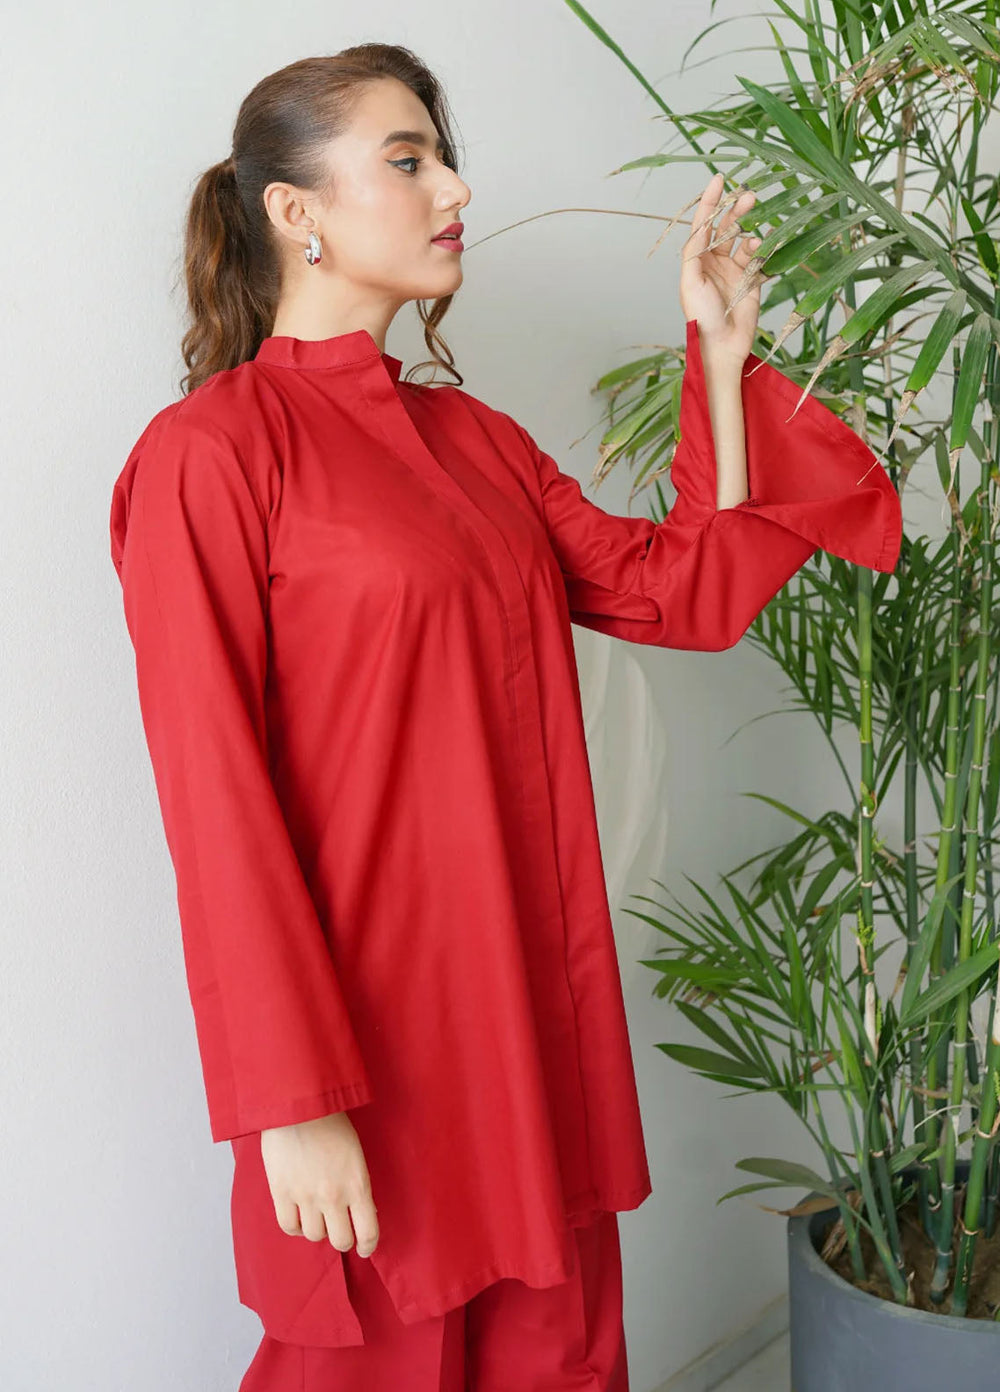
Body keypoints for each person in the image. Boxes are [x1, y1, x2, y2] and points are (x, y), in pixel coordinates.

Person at [108, 42, 902, 1392]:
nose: (457, 188)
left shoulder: (473, 441)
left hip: (532, 1012)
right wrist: (291, 1104)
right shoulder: (209, 457)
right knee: (374, 1356)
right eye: (408, 160)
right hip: (369, 1040)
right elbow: (215, 795)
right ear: (295, 210)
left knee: (559, 1351)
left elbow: (678, 594)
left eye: (446, 156)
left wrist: (720, 358)